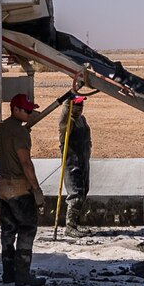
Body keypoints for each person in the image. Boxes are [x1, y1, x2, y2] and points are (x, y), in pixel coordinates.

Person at [0, 93, 50, 286]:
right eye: (26, 110)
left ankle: (8, 274)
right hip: (19, 188)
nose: (29, 113)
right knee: (27, 229)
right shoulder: (20, 133)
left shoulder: (1, 129)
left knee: (7, 232)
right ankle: (23, 276)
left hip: (2, 188)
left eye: (30, 110)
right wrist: (36, 189)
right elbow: (26, 163)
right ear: (15, 109)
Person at [55, 94, 93, 231]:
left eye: (81, 105)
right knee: (75, 194)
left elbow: (87, 138)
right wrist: (66, 104)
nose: (80, 108)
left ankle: (76, 224)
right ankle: (70, 227)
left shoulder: (82, 120)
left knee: (83, 192)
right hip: (72, 163)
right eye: (77, 105)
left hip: (83, 161)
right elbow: (63, 120)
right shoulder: (67, 122)